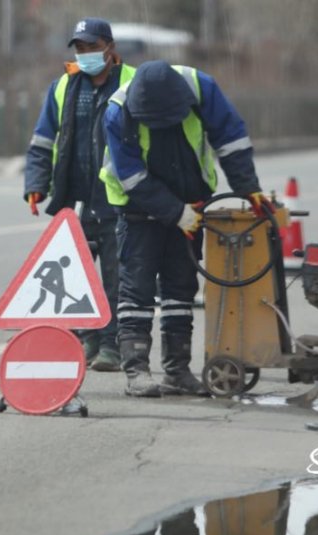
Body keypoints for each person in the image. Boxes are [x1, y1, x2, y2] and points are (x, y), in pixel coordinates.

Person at [100, 60, 273, 397]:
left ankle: (177, 371)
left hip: (191, 204)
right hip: (139, 211)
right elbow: (131, 176)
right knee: (136, 290)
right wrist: (176, 213)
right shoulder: (118, 111)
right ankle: (136, 371)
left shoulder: (201, 88)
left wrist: (247, 186)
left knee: (181, 289)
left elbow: (231, 139)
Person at [24, 17, 135, 373]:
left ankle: (111, 345)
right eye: (80, 48)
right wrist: (36, 183)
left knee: (116, 278)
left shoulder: (133, 82)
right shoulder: (63, 87)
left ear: (110, 48)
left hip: (118, 200)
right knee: (75, 278)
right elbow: (43, 139)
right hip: (74, 200)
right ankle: (86, 338)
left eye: (92, 47)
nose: (85, 54)